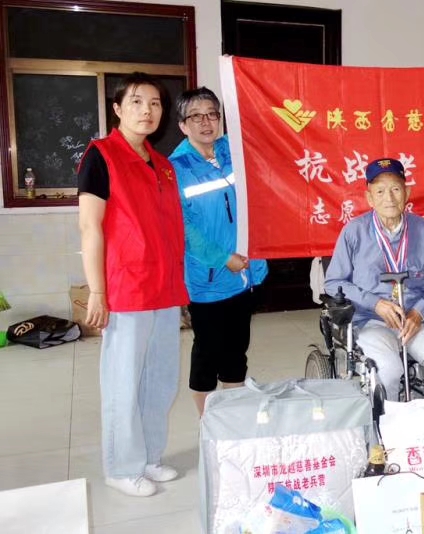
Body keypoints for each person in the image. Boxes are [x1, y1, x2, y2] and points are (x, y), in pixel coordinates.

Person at [78, 72, 188, 497]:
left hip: (163, 287)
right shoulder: (101, 156)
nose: (147, 111)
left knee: (160, 380)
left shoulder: (163, 165)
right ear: (118, 109)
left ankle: (149, 457)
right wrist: (98, 291)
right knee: (123, 382)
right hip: (127, 287)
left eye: (155, 103)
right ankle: (121, 467)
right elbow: (90, 227)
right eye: (137, 102)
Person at [324, 157, 424, 402]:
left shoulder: (423, 230)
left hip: (417, 321)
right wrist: (375, 303)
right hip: (372, 321)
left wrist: (419, 312)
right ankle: (389, 425)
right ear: (369, 197)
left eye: (396, 189)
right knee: (388, 369)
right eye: (380, 191)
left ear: (407, 193)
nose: (389, 197)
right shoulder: (354, 231)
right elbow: (334, 282)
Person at [169, 87, 268, 416]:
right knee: (207, 353)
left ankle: (233, 419)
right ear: (183, 125)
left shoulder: (234, 150)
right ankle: (208, 424)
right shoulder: (176, 168)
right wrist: (223, 258)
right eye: (196, 116)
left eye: (212, 114)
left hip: (246, 272)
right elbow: (185, 229)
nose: (206, 122)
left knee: (237, 350)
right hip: (209, 278)